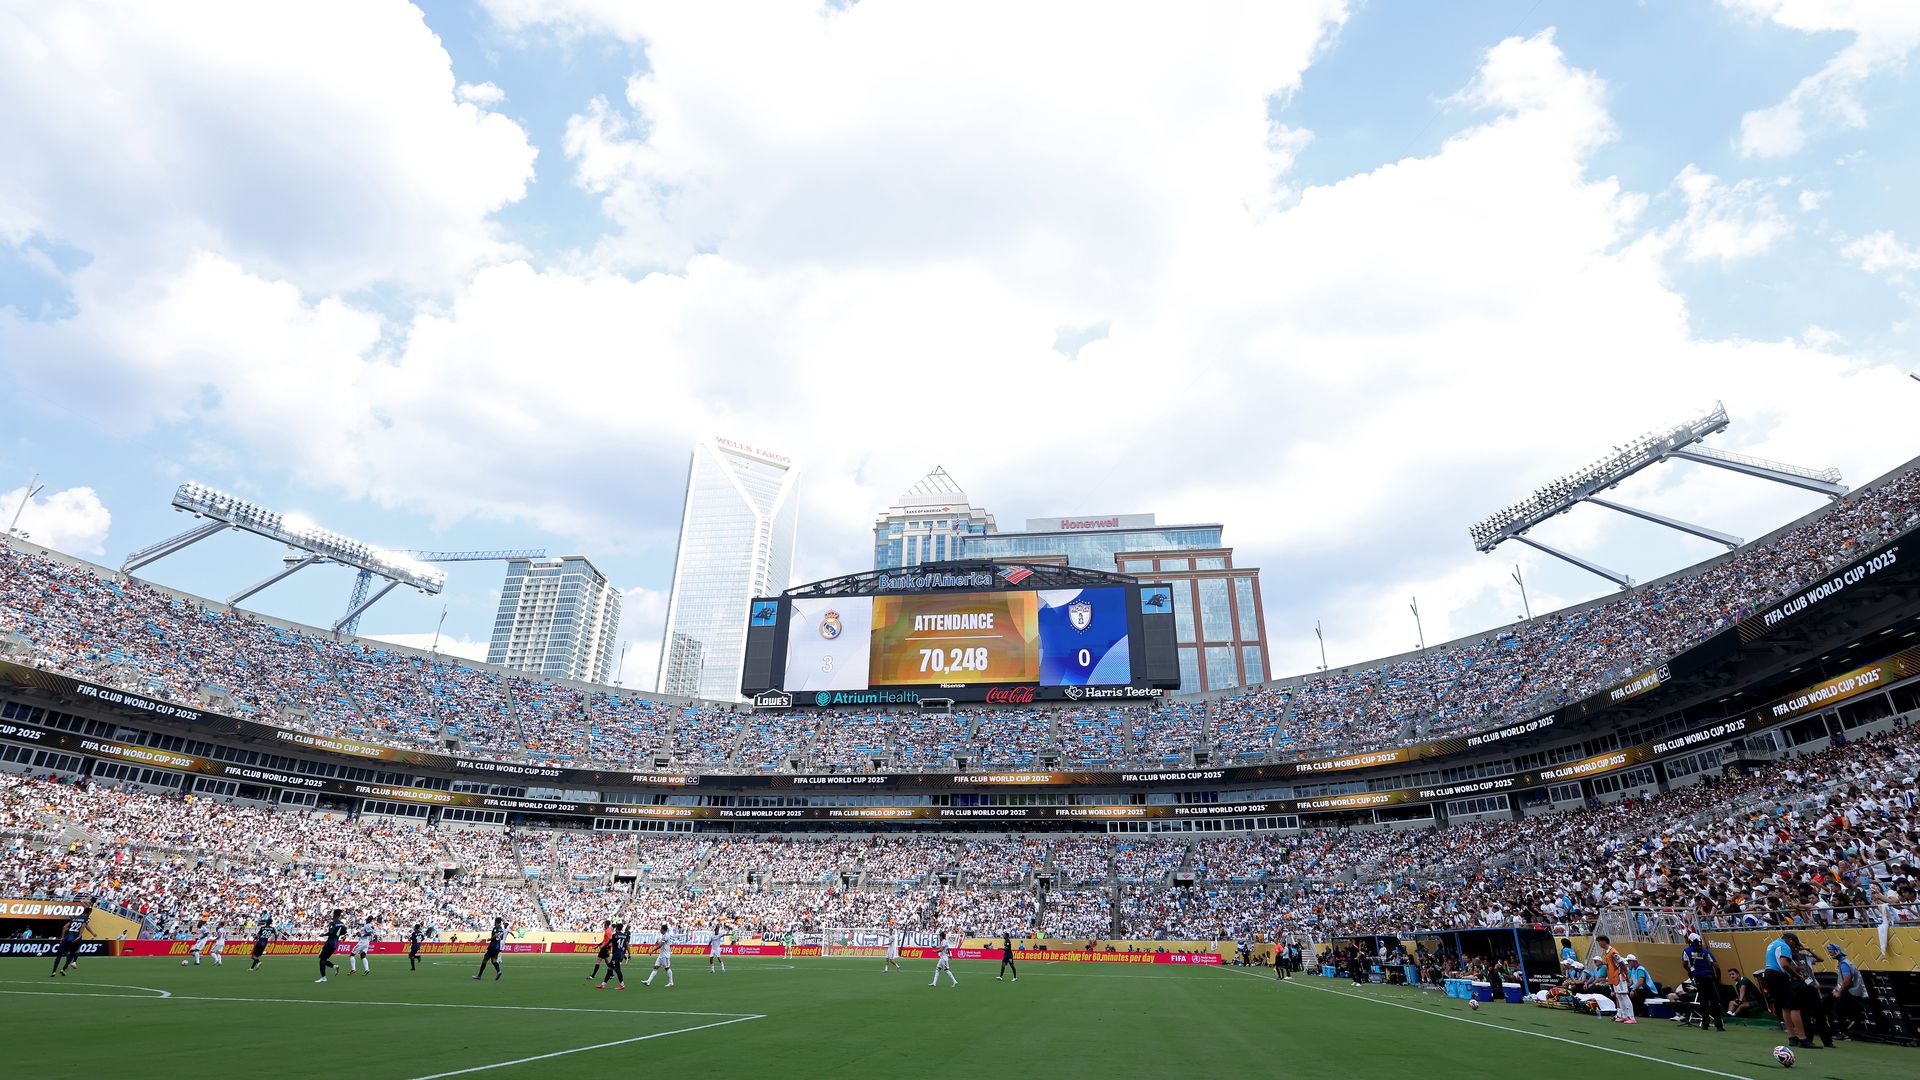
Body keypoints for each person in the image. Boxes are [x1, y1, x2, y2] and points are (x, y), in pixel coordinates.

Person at [1763, 931, 1809, 1048]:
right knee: (1795, 1006)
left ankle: (1792, 1037)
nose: (1794, 947)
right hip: (1779, 975)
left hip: (1769, 974)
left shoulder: (1773, 944)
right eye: (1795, 944)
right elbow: (1784, 964)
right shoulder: (1785, 946)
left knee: (1785, 1006)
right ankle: (1802, 1038)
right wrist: (1797, 976)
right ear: (1791, 941)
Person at [1681, 934, 1724, 1031]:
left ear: (1690, 941)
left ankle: (1705, 1024)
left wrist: (1691, 971)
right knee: (1714, 1002)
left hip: (1699, 979)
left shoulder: (1686, 951)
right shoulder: (1705, 951)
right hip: (1709, 978)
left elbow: (1684, 964)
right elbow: (1716, 966)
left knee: (1703, 1001)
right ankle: (1719, 1026)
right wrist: (1718, 978)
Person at [1826, 943, 1866, 1040]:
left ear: (1837, 951)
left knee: (1838, 1006)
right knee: (1827, 1001)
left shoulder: (1844, 964)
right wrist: (1835, 990)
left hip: (1854, 992)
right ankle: (1833, 1029)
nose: (1829, 954)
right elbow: (1842, 981)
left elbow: (1847, 982)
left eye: (1831, 952)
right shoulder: (1842, 963)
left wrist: (1838, 992)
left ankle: (1844, 1032)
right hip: (1850, 990)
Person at [1597, 935, 1635, 1025]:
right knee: (1619, 996)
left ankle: (1631, 1017)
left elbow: (1621, 962)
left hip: (1619, 976)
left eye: (1599, 941)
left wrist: (1625, 974)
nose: (1599, 943)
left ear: (1604, 941)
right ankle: (1624, 1016)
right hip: (1614, 977)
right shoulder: (1606, 952)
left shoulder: (1613, 952)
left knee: (1624, 996)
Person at [49, 909, 87, 978]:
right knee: (71, 955)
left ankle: (53, 971)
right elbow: (84, 927)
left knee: (59, 955)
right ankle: (63, 969)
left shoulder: (72, 922)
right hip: (74, 940)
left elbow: (64, 927)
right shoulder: (81, 921)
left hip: (67, 939)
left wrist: (62, 938)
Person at [316, 909, 346, 983]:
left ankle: (323, 978)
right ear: (339, 915)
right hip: (335, 944)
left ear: (334, 914)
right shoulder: (342, 923)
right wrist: (338, 935)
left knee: (322, 960)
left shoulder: (333, 923)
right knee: (323, 959)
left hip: (330, 943)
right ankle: (334, 966)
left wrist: (324, 934)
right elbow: (344, 932)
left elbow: (331, 932)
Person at [471, 917, 506, 981]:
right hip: (498, 947)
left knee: (485, 960)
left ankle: (479, 976)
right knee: (494, 960)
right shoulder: (501, 929)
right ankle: (498, 971)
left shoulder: (496, 928)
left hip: (493, 946)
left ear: (496, 921)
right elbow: (501, 937)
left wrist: (490, 939)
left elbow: (496, 935)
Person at [596, 922, 629, 990]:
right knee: (610, 969)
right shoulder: (624, 936)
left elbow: (608, 942)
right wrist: (629, 954)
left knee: (617, 970)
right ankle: (603, 984)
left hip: (616, 955)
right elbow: (627, 945)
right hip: (620, 954)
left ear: (616, 928)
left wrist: (602, 946)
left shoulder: (614, 935)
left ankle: (622, 985)